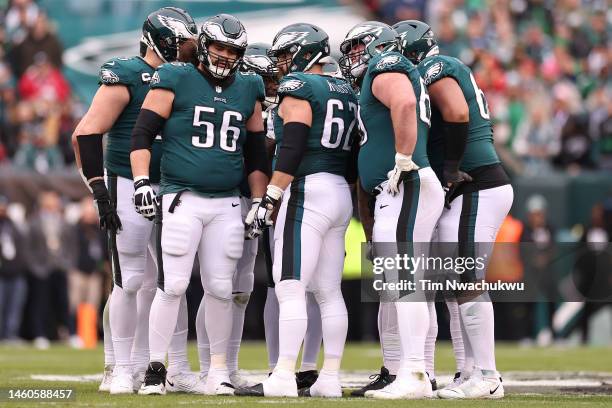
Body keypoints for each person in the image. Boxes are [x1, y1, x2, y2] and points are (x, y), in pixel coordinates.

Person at [130, 13, 268, 396]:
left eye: (233, 50)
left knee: (221, 288)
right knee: (172, 284)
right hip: (181, 198)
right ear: (204, 46)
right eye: (220, 47)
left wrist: (258, 200)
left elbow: (257, 155)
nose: (225, 56)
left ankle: (218, 371)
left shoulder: (249, 87)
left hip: (225, 203)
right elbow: (142, 135)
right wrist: (142, 181)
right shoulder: (176, 76)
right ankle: (158, 369)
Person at [71, 7, 199, 394]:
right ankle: (119, 366)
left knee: (170, 282)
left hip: (175, 186)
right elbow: (87, 134)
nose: (186, 51)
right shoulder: (129, 74)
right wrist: (98, 190)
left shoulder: (186, 78)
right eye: (179, 43)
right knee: (128, 280)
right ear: (159, 40)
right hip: (128, 182)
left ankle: (172, 365)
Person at [395, 19, 513, 399]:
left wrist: (449, 169)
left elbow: (458, 113)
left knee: (466, 281)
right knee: (454, 284)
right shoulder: (440, 67)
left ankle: (489, 376)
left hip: (476, 183)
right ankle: (469, 370)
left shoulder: (436, 65)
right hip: (473, 185)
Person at [239, 22, 358, 398]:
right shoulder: (346, 90)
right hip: (340, 189)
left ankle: (284, 376)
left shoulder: (300, 87)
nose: (282, 64)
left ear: (308, 51)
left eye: (287, 54)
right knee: (329, 292)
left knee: (290, 286)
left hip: (307, 189)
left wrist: (272, 194)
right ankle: (331, 379)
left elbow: (291, 145)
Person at [339, 21, 443, 399]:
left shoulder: (386, 64)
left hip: (406, 181)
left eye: (357, 47)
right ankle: (416, 370)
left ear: (378, 45)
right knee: (403, 280)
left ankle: (414, 373)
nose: (351, 56)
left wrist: (402, 158)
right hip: (401, 185)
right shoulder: (387, 68)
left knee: (404, 280)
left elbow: (404, 102)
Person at [240, 42, 323, 391]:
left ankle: (306, 367)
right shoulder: (247, 106)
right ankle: (280, 366)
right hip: (267, 196)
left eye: (274, 81)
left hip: (296, 194)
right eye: (266, 82)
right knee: (277, 283)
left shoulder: (297, 99)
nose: (272, 87)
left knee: (309, 286)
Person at [0, 195, 27, 342]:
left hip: (16, 272)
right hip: (2, 273)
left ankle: (11, 334)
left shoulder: (13, 225)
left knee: (14, 308)